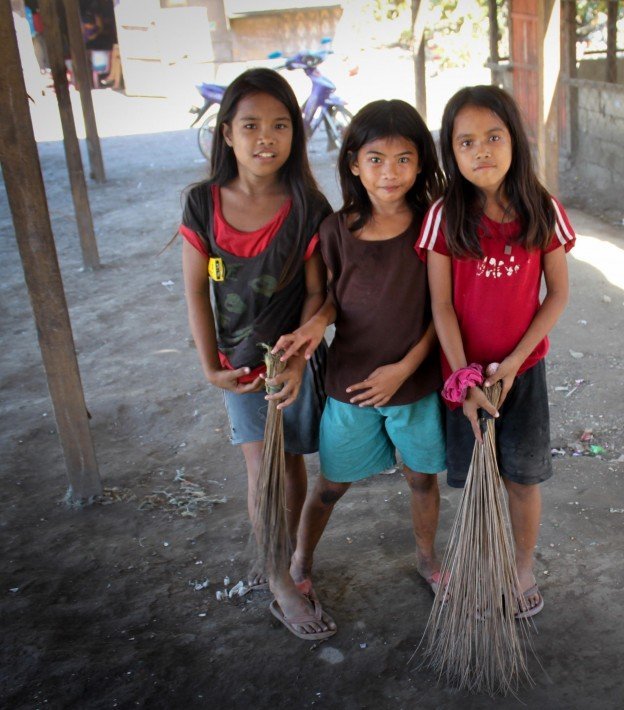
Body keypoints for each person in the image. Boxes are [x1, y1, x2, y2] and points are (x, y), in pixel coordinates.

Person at [179, 68, 335, 641]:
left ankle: (290, 556)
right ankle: (277, 578)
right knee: (260, 468)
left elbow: (319, 293)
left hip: (293, 363)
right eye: (250, 125)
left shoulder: (306, 205)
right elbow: (197, 289)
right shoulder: (203, 204)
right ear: (226, 134)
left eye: (279, 125)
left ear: (296, 133)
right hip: (240, 366)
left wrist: (297, 357)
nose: (265, 137)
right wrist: (208, 364)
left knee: (291, 459)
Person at [273, 100, 447, 602]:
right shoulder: (335, 230)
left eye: (403, 159)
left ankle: (427, 559)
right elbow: (330, 300)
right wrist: (314, 328)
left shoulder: (432, 227)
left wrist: (404, 369)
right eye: (375, 159)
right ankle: (302, 557)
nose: (389, 172)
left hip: (413, 386)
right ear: (353, 162)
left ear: (420, 163)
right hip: (349, 386)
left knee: (421, 479)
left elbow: (443, 311)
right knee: (330, 485)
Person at [416, 85, 575, 619]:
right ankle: (485, 562)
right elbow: (440, 305)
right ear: (450, 152)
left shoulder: (542, 208)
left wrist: (512, 364)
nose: (481, 150)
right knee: (478, 481)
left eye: (493, 137)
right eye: (466, 142)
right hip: (463, 381)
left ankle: (522, 567)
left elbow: (558, 295)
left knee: (522, 479)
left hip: (522, 373)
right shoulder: (444, 216)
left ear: (515, 140)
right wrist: (463, 379)